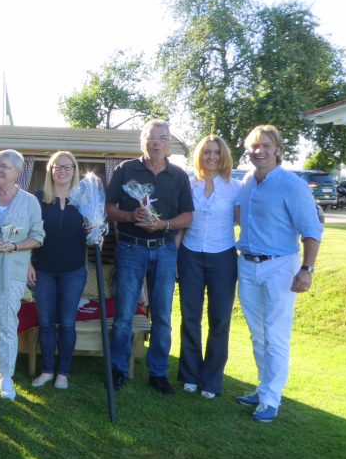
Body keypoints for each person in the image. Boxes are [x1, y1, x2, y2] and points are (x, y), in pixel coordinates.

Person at [235, 125, 322, 422]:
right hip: (247, 264)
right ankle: (263, 389)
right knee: (258, 334)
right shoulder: (247, 180)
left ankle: (271, 399)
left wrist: (307, 269)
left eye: (265, 146)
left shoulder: (292, 184)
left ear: (278, 149)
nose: (258, 151)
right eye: (254, 146)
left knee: (276, 335)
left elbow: (312, 230)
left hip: (280, 266)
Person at [105, 119, 194, 394]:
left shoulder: (179, 175)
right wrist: (130, 216)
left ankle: (158, 372)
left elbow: (188, 216)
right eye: (152, 138)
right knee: (123, 315)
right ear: (142, 141)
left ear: (169, 143)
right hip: (131, 247)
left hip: (165, 250)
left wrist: (162, 225)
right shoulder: (125, 169)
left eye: (162, 138)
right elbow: (108, 208)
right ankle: (118, 369)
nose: (157, 142)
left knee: (163, 316)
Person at [0, 149, 44, 399]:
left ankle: (6, 378)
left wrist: (14, 246)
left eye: (4, 167)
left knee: (6, 325)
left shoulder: (29, 201)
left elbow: (38, 237)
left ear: (18, 172)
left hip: (11, 272)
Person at [178, 136, 240, 399]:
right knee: (190, 317)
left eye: (216, 152)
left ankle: (212, 380)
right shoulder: (189, 186)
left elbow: (240, 221)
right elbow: (182, 224)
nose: (211, 157)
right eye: (206, 152)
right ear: (199, 156)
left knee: (220, 319)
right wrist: (175, 258)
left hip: (223, 257)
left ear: (223, 156)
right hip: (190, 256)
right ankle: (190, 375)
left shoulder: (236, 187)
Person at [30, 151, 85, 391]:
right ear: (50, 170)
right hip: (43, 271)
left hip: (73, 271)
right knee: (46, 322)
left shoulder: (84, 200)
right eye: (57, 167)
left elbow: (95, 232)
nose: (62, 171)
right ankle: (47, 370)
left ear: (75, 171)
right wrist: (28, 264)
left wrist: (98, 233)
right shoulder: (38, 198)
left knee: (67, 323)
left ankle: (63, 373)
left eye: (67, 167)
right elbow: (27, 233)